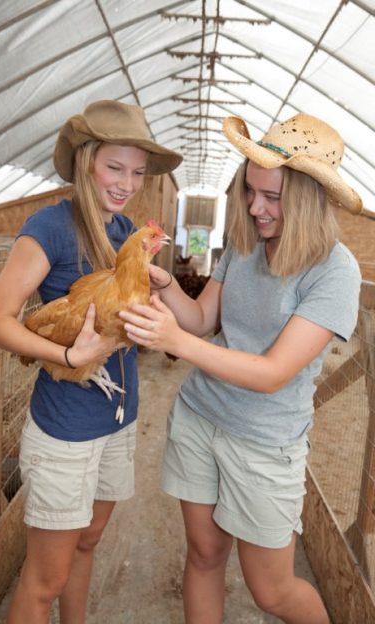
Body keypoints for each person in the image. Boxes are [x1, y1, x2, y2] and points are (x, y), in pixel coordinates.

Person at [119, 112, 362, 624]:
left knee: (271, 591)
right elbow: (204, 318)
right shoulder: (246, 242)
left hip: (264, 439)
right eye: (250, 192)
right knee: (205, 556)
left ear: (308, 198)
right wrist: (165, 287)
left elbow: (273, 372)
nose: (256, 208)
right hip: (201, 417)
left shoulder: (335, 270)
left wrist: (176, 342)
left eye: (272, 198)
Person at [0, 99, 182, 624]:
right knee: (44, 579)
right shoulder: (48, 227)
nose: (127, 182)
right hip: (66, 429)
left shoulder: (124, 233)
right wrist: (70, 353)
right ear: (85, 161)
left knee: (87, 544)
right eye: (115, 167)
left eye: (137, 172)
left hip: (118, 417)